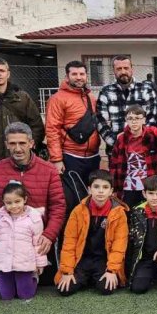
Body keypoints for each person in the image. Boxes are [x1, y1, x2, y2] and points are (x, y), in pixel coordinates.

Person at [0, 122, 66, 284]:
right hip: (7, 241)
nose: (18, 148)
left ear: (31, 143)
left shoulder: (49, 170)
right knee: (7, 290)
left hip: (38, 242)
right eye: (12, 143)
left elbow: (58, 206)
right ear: (6, 144)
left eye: (22, 143)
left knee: (46, 283)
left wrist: (49, 235)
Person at [55, 170, 129, 295]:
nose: (100, 191)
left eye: (105, 187)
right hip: (82, 259)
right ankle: (85, 277)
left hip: (103, 260)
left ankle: (92, 278)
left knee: (106, 288)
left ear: (111, 191)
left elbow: (119, 245)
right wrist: (67, 271)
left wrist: (111, 271)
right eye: (96, 187)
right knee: (65, 289)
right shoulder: (78, 211)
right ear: (89, 189)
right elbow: (69, 242)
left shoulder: (119, 213)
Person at [45, 60, 101, 210]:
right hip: (71, 156)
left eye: (82, 74)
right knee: (75, 199)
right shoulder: (57, 98)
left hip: (93, 156)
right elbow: (52, 129)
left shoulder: (91, 98)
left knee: (92, 197)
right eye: (74, 74)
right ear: (67, 76)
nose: (79, 77)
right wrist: (56, 159)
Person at [0, 182, 48, 301]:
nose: (14, 206)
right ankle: (0, 278)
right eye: (9, 203)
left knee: (25, 295)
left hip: (24, 261)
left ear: (24, 199)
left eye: (17, 201)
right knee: (6, 296)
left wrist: (40, 263)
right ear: (3, 202)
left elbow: (38, 243)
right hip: (4, 261)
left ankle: (33, 278)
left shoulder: (34, 217)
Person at [96, 55, 157, 152]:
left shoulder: (146, 90)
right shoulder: (106, 92)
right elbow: (101, 121)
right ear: (114, 71)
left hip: (143, 148)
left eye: (126, 68)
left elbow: (153, 118)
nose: (123, 72)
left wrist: (139, 140)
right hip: (116, 149)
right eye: (119, 69)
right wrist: (116, 141)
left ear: (132, 69)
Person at [108, 105, 157, 207]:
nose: (134, 121)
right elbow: (113, 165)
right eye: (130, 118)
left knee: (147, 214)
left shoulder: (151, 138)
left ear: (144, 120)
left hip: (148, 186)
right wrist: (114, 187)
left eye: (137, 118)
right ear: (126, 120)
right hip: (127, 186)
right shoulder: (121, 139)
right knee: (128, 213)